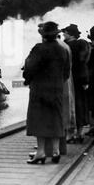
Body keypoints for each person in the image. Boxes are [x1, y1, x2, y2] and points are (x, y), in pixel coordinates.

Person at [24, 22, 70, 164]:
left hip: (40, 90)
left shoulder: (39, 49)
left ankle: (41, 153)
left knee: (39, 121)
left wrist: (28, 79)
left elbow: (29, 68)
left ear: (43, 35)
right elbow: (66, 72)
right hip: (57, 89)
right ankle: (56, 151)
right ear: (56, 34)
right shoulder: (63, 50)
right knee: (55, 119)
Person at [62, 24, 91, 143]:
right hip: (79, 80)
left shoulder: (67, 46)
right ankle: (79, 133)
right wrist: (85, 80)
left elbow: (79, 63)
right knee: (80, 106)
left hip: (70, 80)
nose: (64, 34)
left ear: (70, 34)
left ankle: (71, 134)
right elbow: (83, 63)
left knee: (71, 106)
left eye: (66, 33)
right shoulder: (81, 44)